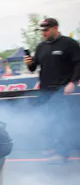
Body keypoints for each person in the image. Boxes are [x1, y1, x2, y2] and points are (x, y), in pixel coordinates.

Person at [24, 18, 80, 164]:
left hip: (61, 88)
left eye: (46, 30)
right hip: (45, 89)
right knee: (47, 120)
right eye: (42, 30)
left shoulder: (69, 44)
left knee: (60, 120)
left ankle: (62, 154)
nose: (44, 33)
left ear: (55, 28)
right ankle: (53, 147)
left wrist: (72, 82)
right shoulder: (41, 46)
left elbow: (78, 64)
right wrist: (29, 63)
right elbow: (33, 67)